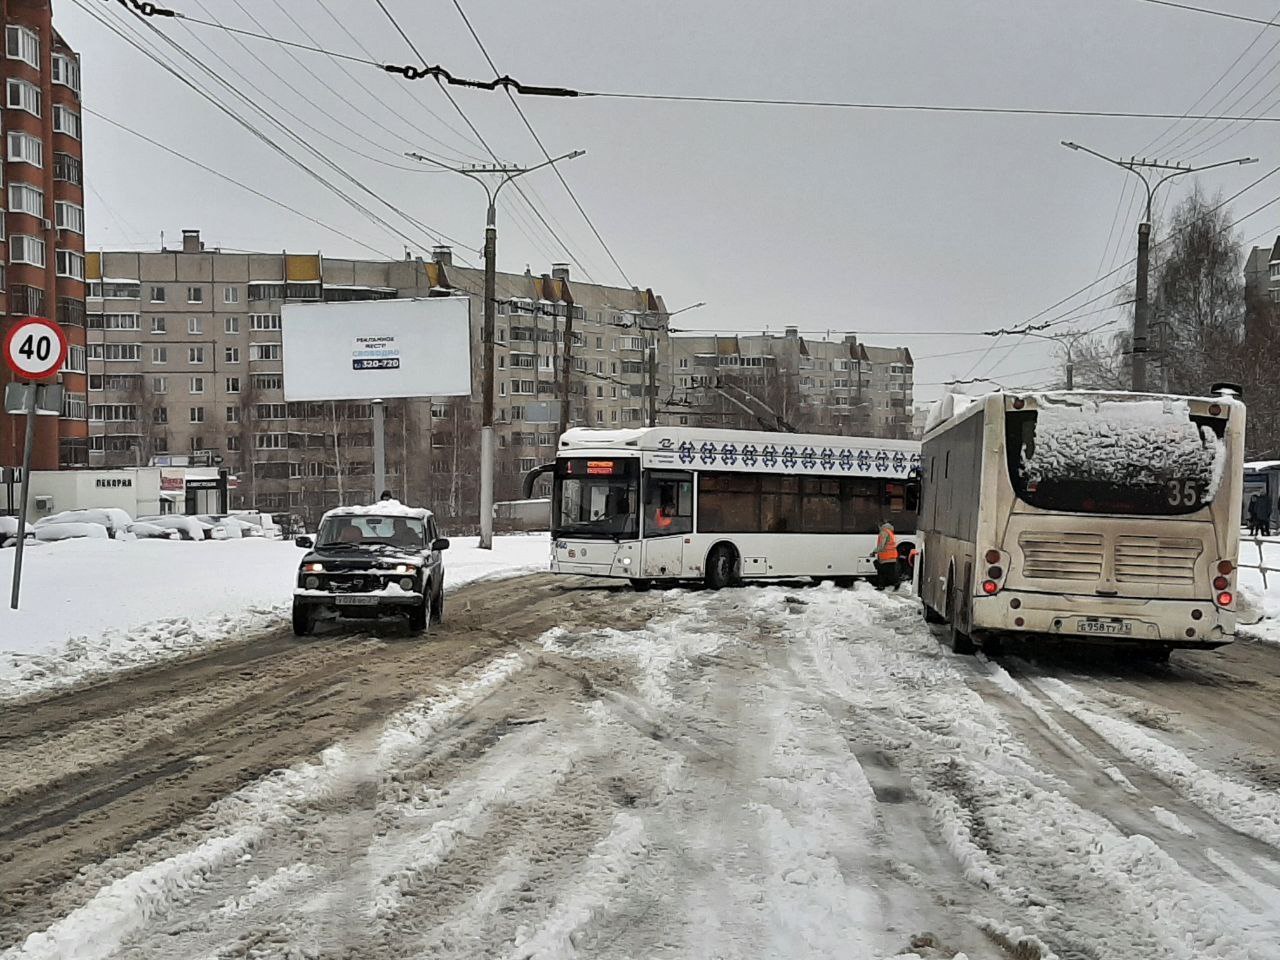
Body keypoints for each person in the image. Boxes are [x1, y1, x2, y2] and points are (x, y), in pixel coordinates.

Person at [872, 521, 900, 591]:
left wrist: (874, 551)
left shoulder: (884, 532)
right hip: (891, 556)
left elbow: (882, 545)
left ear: (880, 526)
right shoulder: (890, 532)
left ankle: (895, 583)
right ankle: (881, 585)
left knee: (884, 572)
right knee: (884, 572)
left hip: (886, 557)